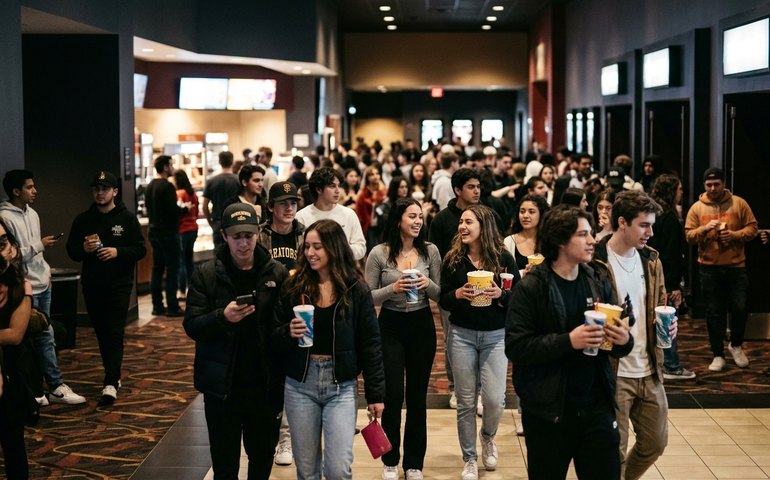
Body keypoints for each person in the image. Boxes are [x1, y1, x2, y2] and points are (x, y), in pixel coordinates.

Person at [505, 204, 632, 479]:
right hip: (549, 411)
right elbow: (516, 347)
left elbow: (617, 343)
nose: (592, 240)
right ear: (561, 240)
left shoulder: (597, 279)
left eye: (591, 233)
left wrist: (624, 339)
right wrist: (568, 341)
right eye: (583, 235)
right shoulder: (531, 287)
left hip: (596, 403)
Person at [184, 202, 288, 480]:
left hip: (264, 386)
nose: (244, 243)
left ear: (257, 234)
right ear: (225, 237)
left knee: (262, 458)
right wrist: (223, 317)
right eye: (237, 236)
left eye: (249, 236)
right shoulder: (206, 274)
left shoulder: (275, 273)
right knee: (225, 464)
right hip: (222, 389)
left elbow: (280, 330)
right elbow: (192, 326)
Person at [274, 219, 385, 480]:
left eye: (318, 247)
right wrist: (287, 332)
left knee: (338, 469)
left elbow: (371, 343)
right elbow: (272, 335)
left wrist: (375, 395)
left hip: (341, 386)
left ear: (334, 248)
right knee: (307, 470)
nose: (310, 253)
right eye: (307, 247)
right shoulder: (294, 286)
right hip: (301, 384)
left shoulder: (355, 289)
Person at [594, 190, 676, 480]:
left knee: (656, 442)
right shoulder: (596, 261)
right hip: (613, 372)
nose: (650, 233)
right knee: (612, 450)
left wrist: (666, 325)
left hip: (649, 367)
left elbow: (656, 305)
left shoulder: (652, 260)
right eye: (644, 225)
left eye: (652, 225)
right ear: (622, 222)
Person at [439, 205, 519, 480]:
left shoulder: (503, 259)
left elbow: (519, 299)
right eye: (460, 222)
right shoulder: (453, 260)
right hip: (461, 334)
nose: (462, 226)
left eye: (468, 222)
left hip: (496, 336)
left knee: (495, 400)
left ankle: (488, 436)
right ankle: (470, 458)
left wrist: (500, 295)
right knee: (465, 401)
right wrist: (458, 294)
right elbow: (443, 298)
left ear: (483, 226)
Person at [365, 198, 441, 480]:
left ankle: (414, 464)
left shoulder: (430, 251)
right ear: (399, 220)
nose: (418, 221)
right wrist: (393, 288)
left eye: (421, 216)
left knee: (418, 397)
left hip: (421, 324)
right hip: (390, 325)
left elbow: (441, 293)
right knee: (393, 395)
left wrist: (427, 284)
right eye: (412, 216)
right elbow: (367, 296)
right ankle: (390, 459)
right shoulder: (379, 253)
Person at [0, 169, 85, 405]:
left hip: (42, 281)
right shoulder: (5, 218)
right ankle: (47, 387)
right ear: (16, 191)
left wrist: (45, 270)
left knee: (45, 337)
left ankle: (48, 388)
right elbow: (13, 256)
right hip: (26, 288)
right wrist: (40, 245)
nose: (34, 190)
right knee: (32, 339)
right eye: (29, 187)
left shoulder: (33, 214)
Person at [65, 171, 147, 404]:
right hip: (92, 284)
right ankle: (113, 373)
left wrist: (117, 251)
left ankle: (111, 381)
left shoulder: (127, 218)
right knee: (101, 331)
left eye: (104, 189)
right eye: (96, 189)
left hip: (119, 285)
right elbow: (72, 251)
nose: (100, 193)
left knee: (113, 330)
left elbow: (140, 249)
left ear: (115, 192)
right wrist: (85, 249)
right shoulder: (83, 219)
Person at [685, 167, 758, 371]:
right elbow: (689, 236)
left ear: (724, 183)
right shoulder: (697, 208)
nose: (713, 188)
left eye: (716, 184)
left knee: (740, 308)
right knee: (714, 313)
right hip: (709, 268)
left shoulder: (739, 203)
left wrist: (734, 235)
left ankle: (736, 344)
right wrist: (704, 230)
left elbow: (752, 228)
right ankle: (718, 354)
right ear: (704, 186)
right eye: (709, 185)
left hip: (736, 267)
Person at [256, 181, 305, 467]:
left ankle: (286, 439)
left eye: (293, 202)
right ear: (271, 207)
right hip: (265, 314)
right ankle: (268, 436)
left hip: (297, 310)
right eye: (283, 203)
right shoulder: (260, 237)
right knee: (267, 378)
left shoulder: (304, 234)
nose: (289, 208)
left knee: (293, 377)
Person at [428, 168, 481, 409]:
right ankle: (455, 388)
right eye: (471, 187)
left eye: (478, 186)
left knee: (483, 339)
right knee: (453, 340)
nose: (477, 190)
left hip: (482, 287)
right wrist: (443, 292)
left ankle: (478, 390)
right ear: (458, 190)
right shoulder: (442, 220)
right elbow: (435, 258)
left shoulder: (485, 215)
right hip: (452, 291)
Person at [648, 174, 696, 380]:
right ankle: (671, 365)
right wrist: (674, 284)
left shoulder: (654, 213)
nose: (682, 193)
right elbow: (670, 254)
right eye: (679, 189)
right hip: (665, 279)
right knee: (668, 320)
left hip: (653, 275)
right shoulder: (667, 217)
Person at [0, 219, 32, 479]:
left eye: (3, 242)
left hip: (12, 373)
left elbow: (14, 335)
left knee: (13, 445)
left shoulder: (19, 284)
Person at [145, 156, 187, 317]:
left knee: (157, 268)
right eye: (170, 164)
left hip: (154, 231)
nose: (173, 167)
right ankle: (172, 306)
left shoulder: (150, 186)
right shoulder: (168, 186)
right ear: (164, 167)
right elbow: (172, 210)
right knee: (173, 269)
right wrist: (183, 210)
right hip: (169, 232)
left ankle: (157, 305)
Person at [295, 167, 367, 261]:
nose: (338, 191)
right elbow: (299, 250)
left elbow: (361, 247)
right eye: (332, 186)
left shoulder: (349, 214)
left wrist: (339, 252)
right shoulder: (301, 216)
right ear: (319, 189)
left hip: (343, 270)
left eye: (338, 186)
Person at [202, 151, 241, 248]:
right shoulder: (238, 180)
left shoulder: (211, 181)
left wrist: (211, 223)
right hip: (236, 221)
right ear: (232, 161)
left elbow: (204, 206)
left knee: (219, 257)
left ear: (219, 162)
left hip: (218, 223)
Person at [504, 194, 550, 274]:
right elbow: (505, 275)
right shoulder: (509, 241)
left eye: (531, 212)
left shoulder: (549, 240)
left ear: (541, 214)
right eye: (522, 211)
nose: (525, 216)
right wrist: (522, 274)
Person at [174, 170, 199, 300]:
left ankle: (182, 291)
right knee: (190, 261)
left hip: (182, 230)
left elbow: (177, 212)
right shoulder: (193, 193)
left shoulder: (179, 193)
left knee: (182, 261)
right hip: (193, 228)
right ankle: (192, 288)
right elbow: (197, 210)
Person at [356, 165, 387, 252]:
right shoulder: (363, 194)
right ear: (367, 177)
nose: (375, 176)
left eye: (377, 173)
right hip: (369, 228)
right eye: (372, 174)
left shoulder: (384, 192)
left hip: (383, 225)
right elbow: (359, 214)